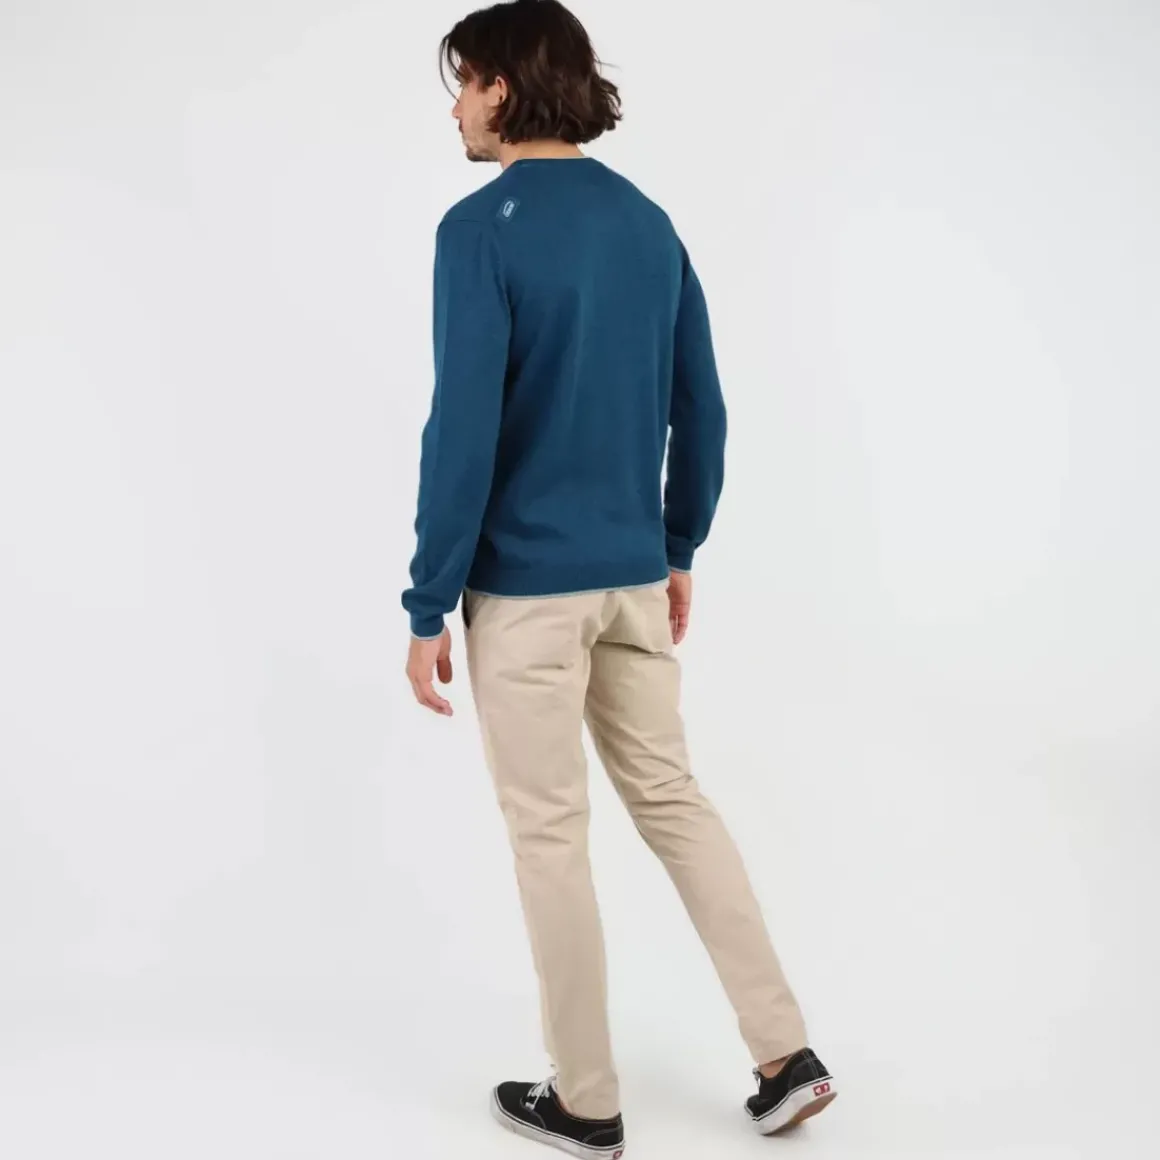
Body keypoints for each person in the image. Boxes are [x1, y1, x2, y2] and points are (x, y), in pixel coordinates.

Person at [402, 1, 836, 1154]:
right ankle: (784, 1053)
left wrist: (427, 598)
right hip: (632, 581)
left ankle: (585, 1099)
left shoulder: (478, 229)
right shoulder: (647, 223)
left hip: (526, 596)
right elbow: (704, 410)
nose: (455, 108)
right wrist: (674, 546)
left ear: (500, 87)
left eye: (463, 84)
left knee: (549, 834)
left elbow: (461, 434)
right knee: (674, 801)